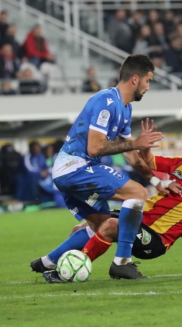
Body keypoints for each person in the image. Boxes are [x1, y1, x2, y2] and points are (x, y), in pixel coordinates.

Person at [32, 132, 182, 283]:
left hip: (156, 240)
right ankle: (47, 262)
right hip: (137, 218)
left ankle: (72, 272)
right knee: (84, 227)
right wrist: (145, 148)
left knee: (108, 226)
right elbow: (149, 162)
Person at [31, 54, 173, 280]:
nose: (148, 87)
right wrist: (135, 143)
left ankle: (47, 262)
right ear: (135, 79)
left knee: (102, 225)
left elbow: (131, 155)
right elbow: (95, 148)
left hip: (71, 171)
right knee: (138, 194)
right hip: (75, 166)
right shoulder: (106, 101)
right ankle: (122, 262)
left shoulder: (125, 109)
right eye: (148, 81)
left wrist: (156, 180)